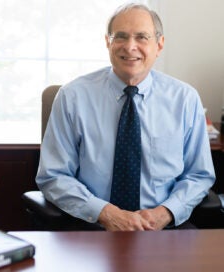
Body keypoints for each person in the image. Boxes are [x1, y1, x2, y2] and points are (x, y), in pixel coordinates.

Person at [35, 3, 215, 231]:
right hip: (92, 225)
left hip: (163, 228)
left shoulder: (185, 99)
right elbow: (54, 176)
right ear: (107, 42)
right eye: (120, 36)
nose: (130, 47)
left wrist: (166, 212)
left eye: (142, 37)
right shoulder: (72, 97)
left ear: (159, 45)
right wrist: (105, 213)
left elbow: (199, 175)